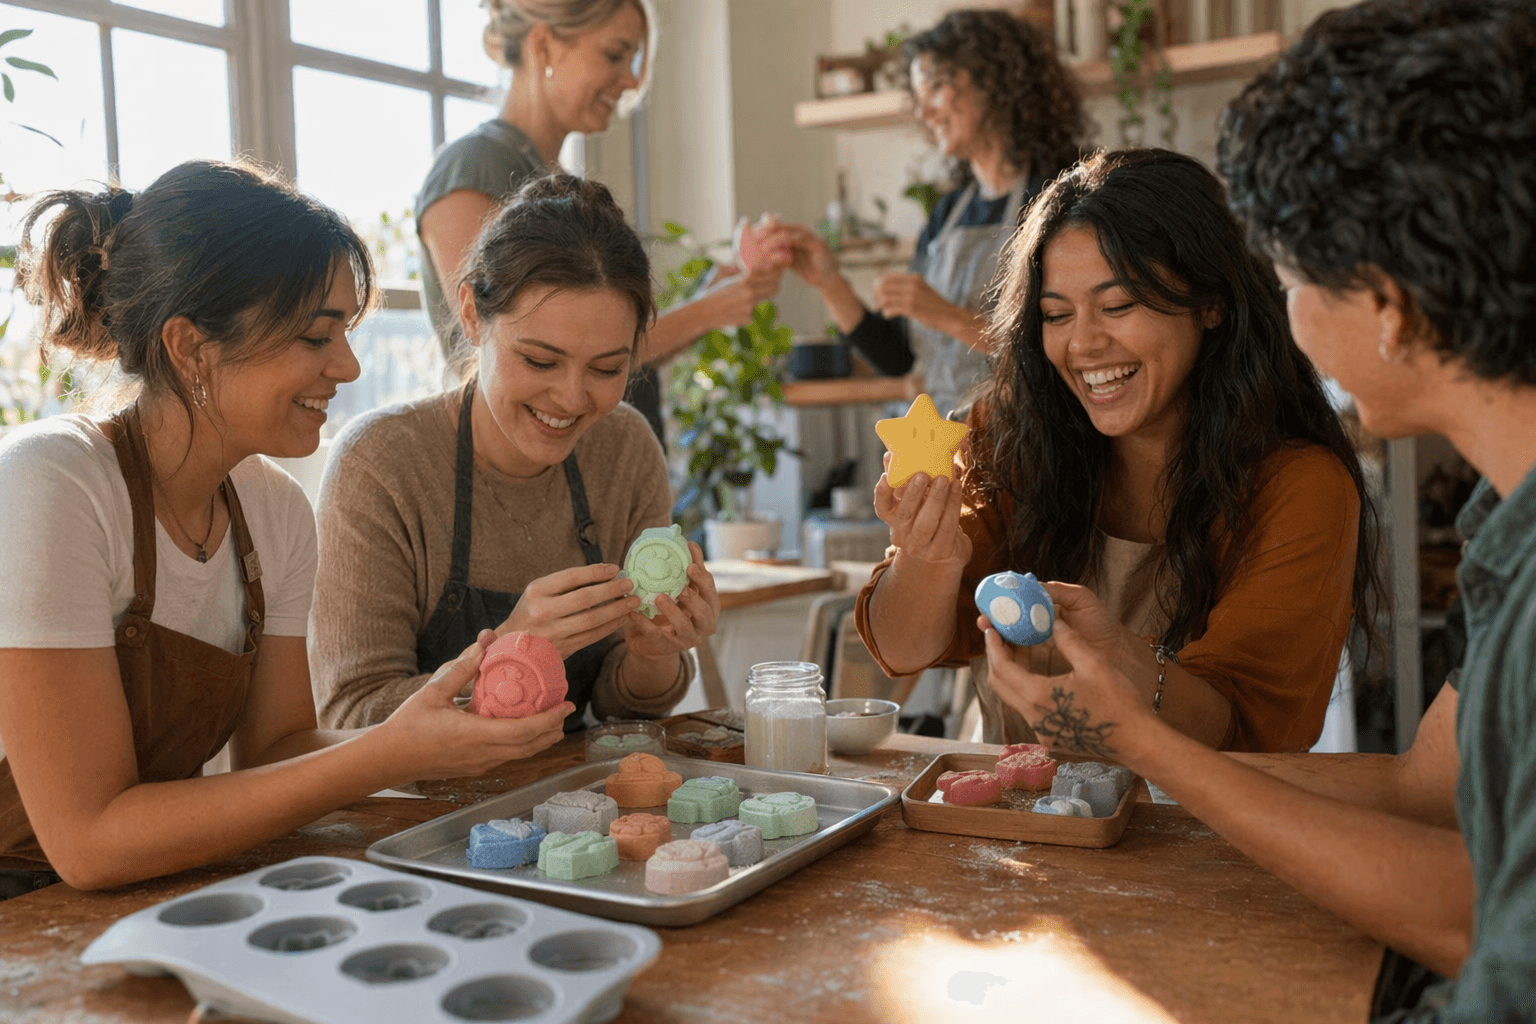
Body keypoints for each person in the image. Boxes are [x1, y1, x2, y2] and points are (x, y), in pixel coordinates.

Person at [981, 1, 1534, 1017]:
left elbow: (1477, 920)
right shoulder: (1509, 525)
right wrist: (1133, 740)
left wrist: (1144, 740)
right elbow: (1425, 791)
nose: (1285, 314)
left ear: (1391, 306)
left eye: (1292, 278)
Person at [0, 161, 571, 896]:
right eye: (314, 337)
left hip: (142, 889)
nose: (349, 366)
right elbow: (90, 842)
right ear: (190, 347)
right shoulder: (51, 485)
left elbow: (276, 751)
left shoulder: (273, 511)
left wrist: (437, 731)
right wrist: (391, 754)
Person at [855, 148, 1386, 752]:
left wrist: (1123, 662)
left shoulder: (1301, 488)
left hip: (1193, 814)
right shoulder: (1008, 436)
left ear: (1211, 303)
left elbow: (1244, 730)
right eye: (1056, 315)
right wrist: (926, 557)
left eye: (1118, 306)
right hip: (1017, 807)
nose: (1083, 344)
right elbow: (901, 649)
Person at [312, 174, 717, 733]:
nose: (571, 398)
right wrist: (510, 652)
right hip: (425, 791)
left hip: (573, 785)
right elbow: (351, 717)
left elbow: (624, 713)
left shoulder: (624, 447)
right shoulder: (381, 465)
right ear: (471, 315)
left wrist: (654, 651)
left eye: (606, 369)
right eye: (540, 361)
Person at [418, 0, 782, 442]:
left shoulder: (554, 187)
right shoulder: (475, 166)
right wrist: (711, 309)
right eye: (615, 55)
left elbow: (603, 352)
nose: (631, 80)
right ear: (544, 47)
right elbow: (495, 348)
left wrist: (712, 299)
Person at [782, 8, 1088, 418]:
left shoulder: (1056, 198)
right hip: (950, 436)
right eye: (918, 97)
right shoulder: (947, 214)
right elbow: (896, 356)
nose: (925, 113)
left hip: (1034, 433)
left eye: (937, 87)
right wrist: (827, 280)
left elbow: (1059, 344)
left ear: (993, 82)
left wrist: (945, 315)